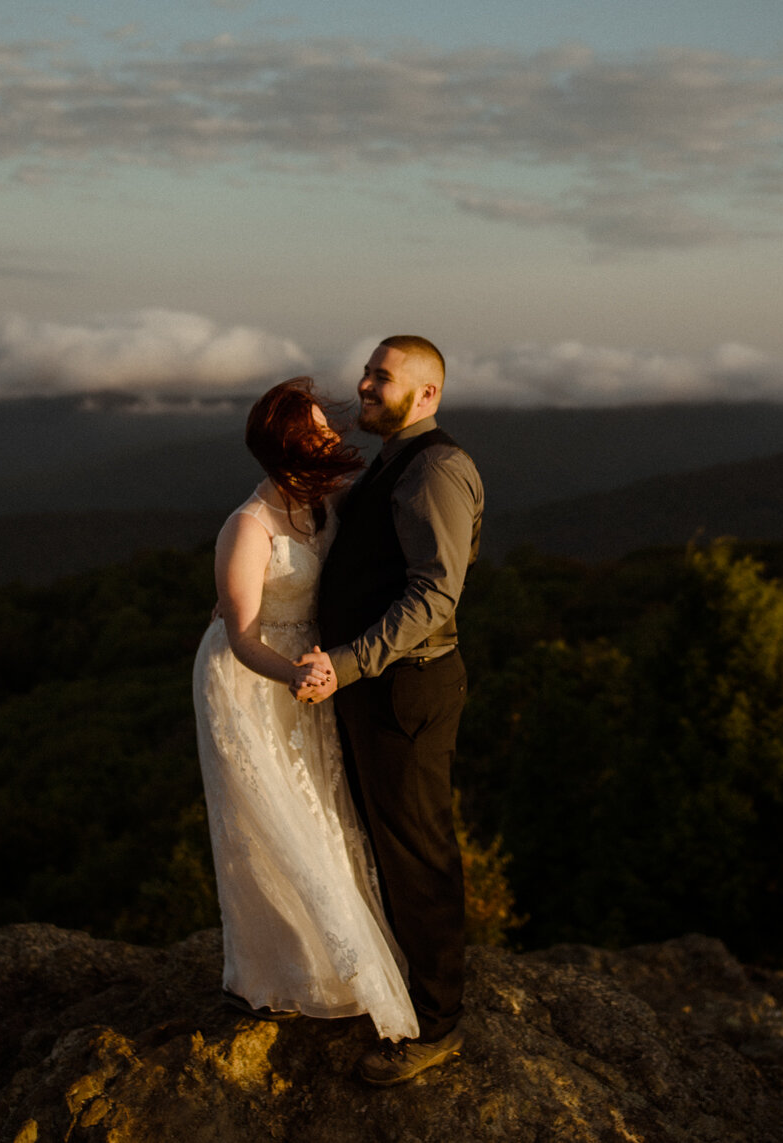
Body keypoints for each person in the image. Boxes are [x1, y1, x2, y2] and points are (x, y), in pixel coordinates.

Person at [191, 377, 417, 1042]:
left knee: (320, 805)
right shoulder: (248, 525)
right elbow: (239, 636)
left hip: (309, 671)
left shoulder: (321, 502)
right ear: (285, 447)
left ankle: (333, 962)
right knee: (264, 817)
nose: (329, 439)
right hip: (251, 677)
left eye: (327, 427)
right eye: (316, 432)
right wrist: (296, 674)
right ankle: (267, 974)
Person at [294, 335, 484, 1086]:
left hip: (406, 686)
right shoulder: (396, 463)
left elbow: (436, 596)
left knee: (417, 852)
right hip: (379, 687)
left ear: (428, 394)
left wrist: (345, 662)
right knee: (385, 842)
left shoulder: (437, 466)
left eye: (383, 376)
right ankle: (404, 989)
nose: (366, 384)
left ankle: (436, 1026)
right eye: (368, 372)